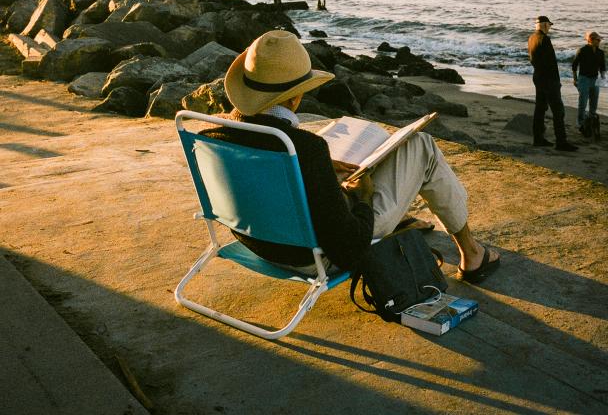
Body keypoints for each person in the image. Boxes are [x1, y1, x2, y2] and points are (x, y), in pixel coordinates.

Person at [200, 29, 500, 284]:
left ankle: (398, 221)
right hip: (311, 258)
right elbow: (348, 250)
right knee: (422, 146)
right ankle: (472, 255)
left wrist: (321, 170)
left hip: (258, 244)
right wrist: (365, 197)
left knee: (359, 173)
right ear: (296, 96)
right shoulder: (306, 149)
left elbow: (268, 176)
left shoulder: (214, 134)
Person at [527, 15, 577, 152]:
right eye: (549, 25)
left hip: (538, 77)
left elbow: (533, 59)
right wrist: (556, 82)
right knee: (558, 111)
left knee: (540, 109)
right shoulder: (545, 39)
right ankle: (561, 142)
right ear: (543, 25)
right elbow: (551, 64)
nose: (549, 28)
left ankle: (538, 139)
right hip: (549, 80)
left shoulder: (531, 38)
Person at [572, 31, 605, 136]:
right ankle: (581, 123)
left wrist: (603, 77)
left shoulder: (600, 52)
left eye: (600, 40)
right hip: (583, 79)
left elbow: (603, 66)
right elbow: (574, 65)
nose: (599, 41)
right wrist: (575, 79)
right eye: (598, 40)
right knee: (583, 102)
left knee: (594, 103)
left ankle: (591, 122)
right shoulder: (582, 50)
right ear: (591, 40)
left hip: (595, 79)